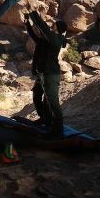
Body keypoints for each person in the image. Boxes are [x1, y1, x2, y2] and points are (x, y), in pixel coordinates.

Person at [24, 10, 67, 139]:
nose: (52, 25)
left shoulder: (57, 39)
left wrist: (33, 14)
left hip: (50, 74)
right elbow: (35, 36)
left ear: (58, 28)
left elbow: (43, 28)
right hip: (42, 74)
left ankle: (58, 131)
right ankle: (45, 119)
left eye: (55, 24)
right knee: (37, 95)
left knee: (52, 103)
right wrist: (27, 23)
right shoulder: (49, 39)